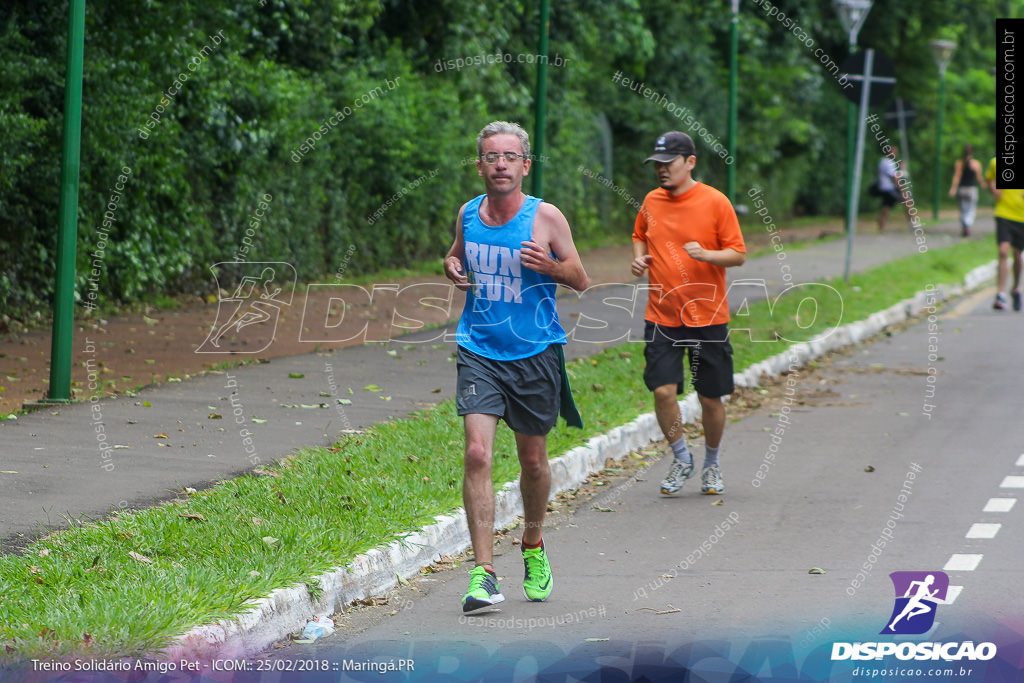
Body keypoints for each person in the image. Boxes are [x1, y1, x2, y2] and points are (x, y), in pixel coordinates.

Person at [443, 121, 589, 613]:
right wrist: (451, 265)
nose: (500, 164)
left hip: (534, 354)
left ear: (525, 165)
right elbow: (457, 256)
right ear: (480, 163)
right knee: (478, 455)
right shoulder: (467, 214)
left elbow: (581, 279)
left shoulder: (545, 217)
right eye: (491, 156)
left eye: (510, 156)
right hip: (478, 348)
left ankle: (533, 542)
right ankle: (483, 575)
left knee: (532, 462)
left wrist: (550, 267)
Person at [630, 132, 746, 497]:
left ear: (690, 162)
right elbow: (639, 233)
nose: (661, 170)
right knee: (663, 391)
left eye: (669, 163)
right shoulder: (651, 200)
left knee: (710, 398)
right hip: (662, 315)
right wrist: (638, 257)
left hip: (708, 317)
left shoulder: (715, 202)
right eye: (658, 164)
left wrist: (708, 255)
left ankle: (711, 463)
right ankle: (682, 458)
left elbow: (738, 254)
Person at [984, 156, 1024, 310]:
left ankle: (1015, 288)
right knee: (1002, 251)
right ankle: (1000, 294)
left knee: (1017, 254)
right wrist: (994, 190)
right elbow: (988, 179)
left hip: (1021, 216)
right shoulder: (996, 162)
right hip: (1003, 213)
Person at [948, 144, 983, 237]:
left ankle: (965, 225)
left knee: (963, 209)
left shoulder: (959, 163)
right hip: (972, 189)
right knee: (971, 208)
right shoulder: (976, 164)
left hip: (962, 189)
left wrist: (953, 189)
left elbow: (957, 177)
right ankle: (968, 225)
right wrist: (984, 184)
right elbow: (979, 178)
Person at [876, 146, 907, 232]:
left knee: (886, 206)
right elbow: (895, 177)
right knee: (906, 200)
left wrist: (900, 168)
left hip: (885, 187)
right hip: (888, 188)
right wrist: (901, 189)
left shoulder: (884, 161)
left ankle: (881, 224)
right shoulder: (888, 162)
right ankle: (912, 222)